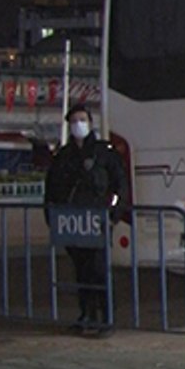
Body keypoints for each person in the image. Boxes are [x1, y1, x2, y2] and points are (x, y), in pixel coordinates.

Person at [44, 104, 129, 336]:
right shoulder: (63, 156)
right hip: (72, 223)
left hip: (97, 222)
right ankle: (86, 315)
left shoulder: (104, 153)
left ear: (90, 123)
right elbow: (51, 188)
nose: (78, 124)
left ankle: (106, 316)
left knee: (99, 270)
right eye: (74, 121)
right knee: (81, 271)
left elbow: (120, 185)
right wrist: (52, 217)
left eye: (82, 119)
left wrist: (113, 215)